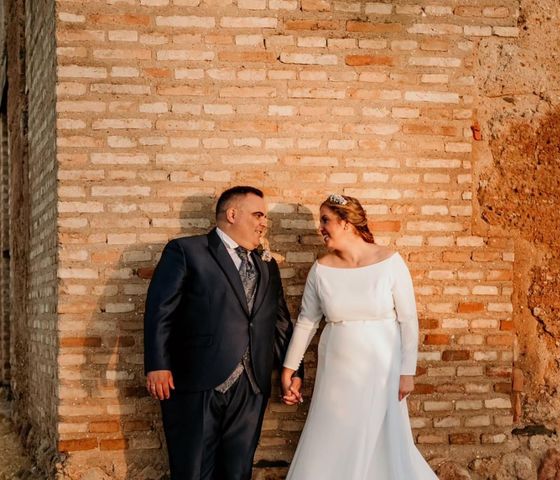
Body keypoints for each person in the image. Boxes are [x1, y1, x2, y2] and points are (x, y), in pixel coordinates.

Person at [144, 186, 302, 480]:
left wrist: (293, 371)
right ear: (232, 214)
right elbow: (160, 311)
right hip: (198, 381)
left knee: (238, 470)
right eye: (258, 215)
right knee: (192, 470)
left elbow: (280, 321)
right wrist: (157, 364)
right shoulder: (186, 251)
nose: (263, 222)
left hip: (252, 384)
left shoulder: (267, 265)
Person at [280, 193, 439, 480]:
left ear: (346, 223)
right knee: (334, 432)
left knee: (380, 436)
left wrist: (407, 371)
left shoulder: (389, 262)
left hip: (382, 367)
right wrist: (289, 368)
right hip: (337, 368)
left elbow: (408, 320)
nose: (321, 228)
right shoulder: (321, 269)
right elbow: (307, 322)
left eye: (326, 220)